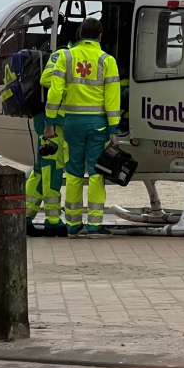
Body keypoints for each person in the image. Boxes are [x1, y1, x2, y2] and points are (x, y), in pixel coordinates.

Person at [43, 17, 121, 236]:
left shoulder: (65, 57)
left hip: (72, 124)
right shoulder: (107, 60)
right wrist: (114, 129)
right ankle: (95, 224)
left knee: (74, 172)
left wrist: (49, 122)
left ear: (80, 34)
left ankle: (73, 224)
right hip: (98, 125)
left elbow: (55, 91)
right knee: (97, 172)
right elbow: (112, 98)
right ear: (100, 35)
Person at [24, 68, 67, 237]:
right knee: (51, 174)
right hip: (54, 127)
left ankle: (25, 216)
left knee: (40, 174)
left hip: (47, 125)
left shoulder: (50, 68)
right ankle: (53, 221)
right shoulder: (61, 71)